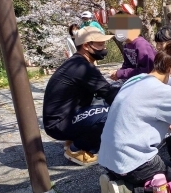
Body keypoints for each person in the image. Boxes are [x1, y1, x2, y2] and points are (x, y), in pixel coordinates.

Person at [98, 42, 171, 193]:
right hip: (133, 162)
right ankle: (130, 191)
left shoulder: (135, 80)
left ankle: (114, 177)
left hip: (108, 157)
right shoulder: (162, 91)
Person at [43, 27, 118, 166]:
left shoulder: (77, 62)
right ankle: (77, 148)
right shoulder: (82, 68)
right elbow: (109, 93)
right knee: (110, 114)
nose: (104, 47)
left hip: (62, 118)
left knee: (106, 106)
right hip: (59, 123)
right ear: (86, 46)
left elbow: (104, 91)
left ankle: (74, 138)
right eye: (100, 44)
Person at [109, 15, 156, 82]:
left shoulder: (142, 45)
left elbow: (146, 70)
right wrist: (118, 73)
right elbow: (127, 66)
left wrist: (121, 73)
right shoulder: (126, 46)